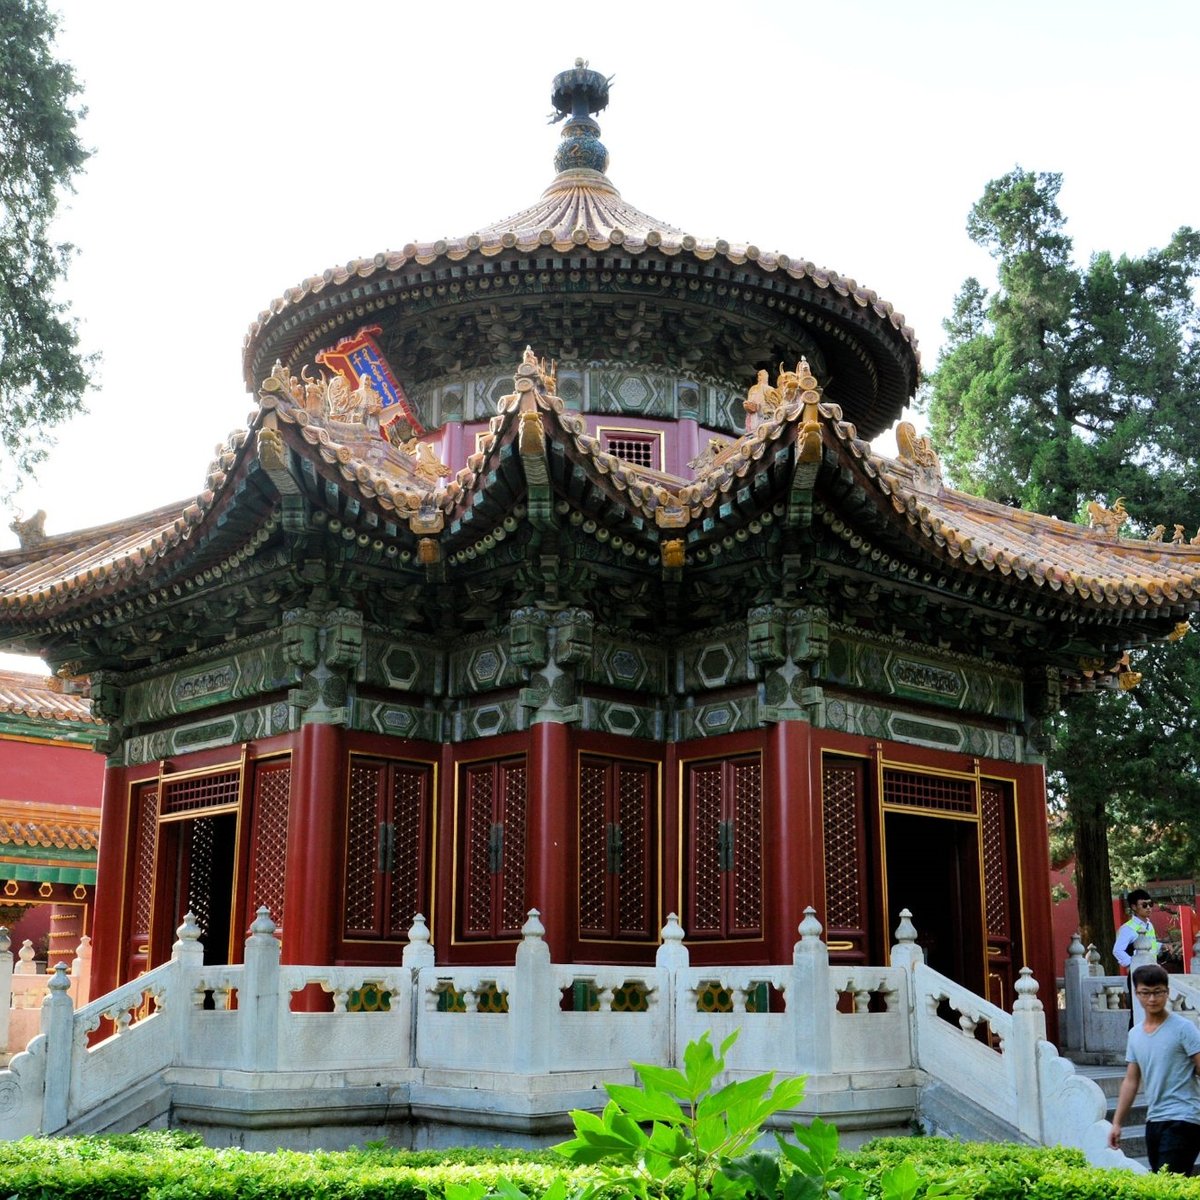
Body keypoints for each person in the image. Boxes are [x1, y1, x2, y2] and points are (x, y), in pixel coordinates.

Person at [1108, 963, 1200, 1172]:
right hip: (1155, 1119)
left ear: (1167, 992)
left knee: (1166, 1183)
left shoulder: (1184, 1028)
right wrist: (1117, 1122)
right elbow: (1131, 1081)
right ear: (1136, 993)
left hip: (1184, 1118)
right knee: (1165, 1185)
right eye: (1145, 993)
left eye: (1158, 992)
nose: (1152, 999)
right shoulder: (1135, 1034)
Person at [1114, 889, 1160, 971]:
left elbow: (1150, 945)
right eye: (1144, 905)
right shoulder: (1127, 928)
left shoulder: (1149, 925)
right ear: (1134, 907)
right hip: (1138, 974)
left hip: (1152, 970)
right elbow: (1117, 950)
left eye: (1150, 904)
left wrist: (1162, 946)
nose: (1148, 907)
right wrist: (1133, 964)